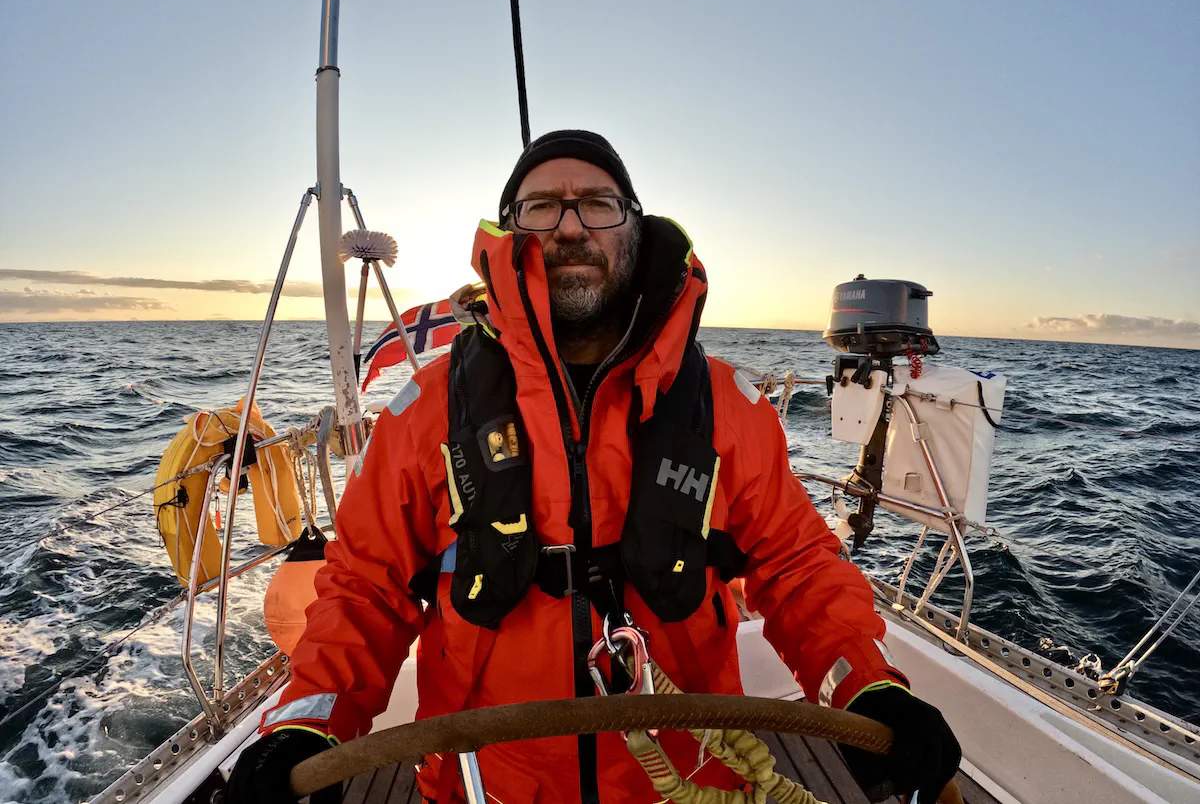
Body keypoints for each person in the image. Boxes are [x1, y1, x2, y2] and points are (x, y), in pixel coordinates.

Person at [229, 130, 961, 804]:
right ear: (509, 234)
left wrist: (866, 688)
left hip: (689, 779)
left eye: (598, 204)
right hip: (483, 782)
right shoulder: (426, 410)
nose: (572, 226)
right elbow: (366, 589)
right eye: (542, 206)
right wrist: (306, 728)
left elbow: (797, 565)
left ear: (634, 230)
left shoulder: (725, 407)